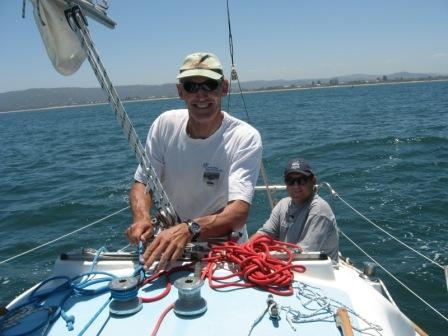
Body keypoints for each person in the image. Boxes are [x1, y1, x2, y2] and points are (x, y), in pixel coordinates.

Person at [126, 52, 263, 269]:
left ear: (224, 88)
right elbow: (143, 183)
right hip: (170, 247)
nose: (201, 95)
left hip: (225, 251)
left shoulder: (244, 137)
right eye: (192, 86)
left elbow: (237, 213)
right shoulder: (164, 125)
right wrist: (141, 217)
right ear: (180, 91)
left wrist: (189, 229)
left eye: (209, 85)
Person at [251, 158, 339, 261]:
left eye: (302, 180)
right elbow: (265, 233)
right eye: (291, 181)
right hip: (288, 263)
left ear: (313, 181)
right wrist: (248, 247)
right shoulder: (282, 204)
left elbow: (304, 253)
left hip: (317, 271)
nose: (296, 186)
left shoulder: (320, 209)